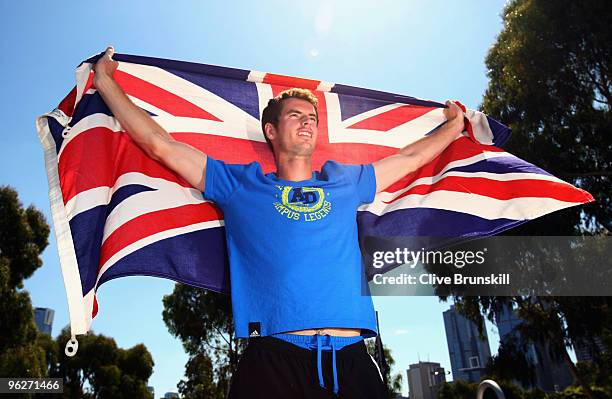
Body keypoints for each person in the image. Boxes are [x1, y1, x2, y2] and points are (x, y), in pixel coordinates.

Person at [93, 46, 465, 398]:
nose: (307, 123)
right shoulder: (240, 184)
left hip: (352, 361)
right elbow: (161, 144)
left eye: (312, 119)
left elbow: (410, 158)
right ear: (270, 130)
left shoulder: (345, 181)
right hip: (273, 359)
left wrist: (453, 127)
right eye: (295, 116)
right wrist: (106, 82)